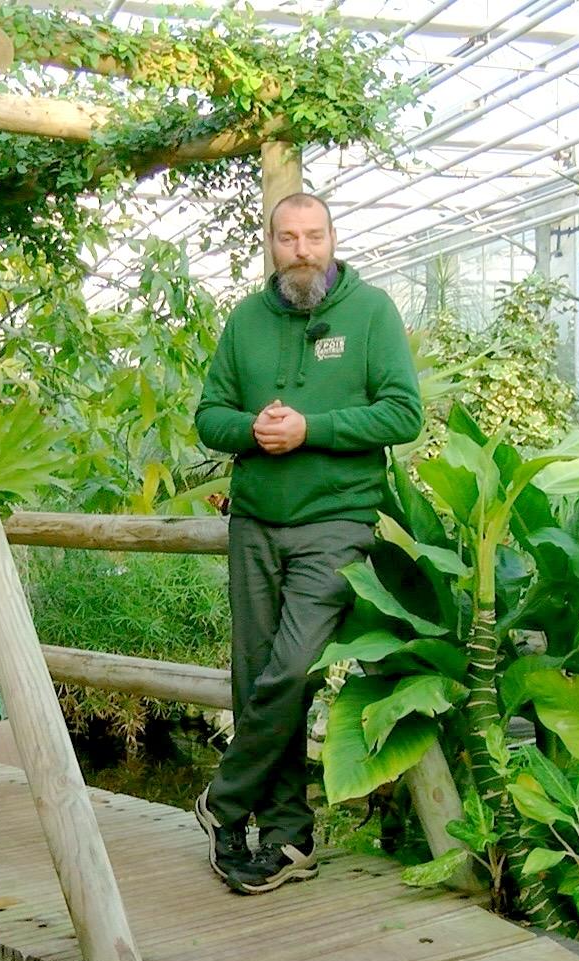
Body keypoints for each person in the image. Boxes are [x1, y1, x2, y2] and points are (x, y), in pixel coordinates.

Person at [191, 192, 423, 894]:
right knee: (256, 673)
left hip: (336, 521)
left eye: (313, 235)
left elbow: (403, 411)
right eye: (288, 237)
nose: (302, 249)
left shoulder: (370, 312)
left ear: (332, 238)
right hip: (256, 522)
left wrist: (310, 429)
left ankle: (223, 801)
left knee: (291, 669)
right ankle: (287, 839)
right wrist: (253, 431)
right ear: (271, 243)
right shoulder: (245, 321)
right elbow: (209, 415)